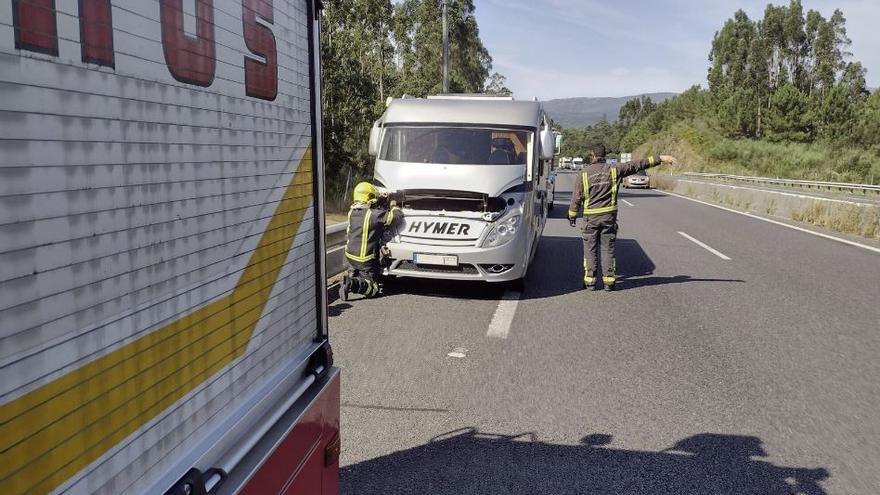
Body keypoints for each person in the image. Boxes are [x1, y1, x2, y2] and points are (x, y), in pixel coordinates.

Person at [568, 145, 677, 291]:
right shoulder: (614, 169)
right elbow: (637, 165)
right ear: (604, 155)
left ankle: (590, 281)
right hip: (609, 218)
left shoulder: (584, 173)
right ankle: (609, 281)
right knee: (608, 248)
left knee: (590, 249)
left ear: (592, 155)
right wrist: (662, 158)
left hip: (591, 218)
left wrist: (572, 215)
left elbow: (577, 196)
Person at [341, 182, 402, 301]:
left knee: (359, 271)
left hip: (349, 255)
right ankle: (351, 284)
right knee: (373, 289)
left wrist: (381, 197)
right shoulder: (373, 214)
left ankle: (354, 276)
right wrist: (394, 206)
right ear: (368, 197)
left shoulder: (351, 212)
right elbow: (394, 217)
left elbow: (372, 207)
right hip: (365, 259)